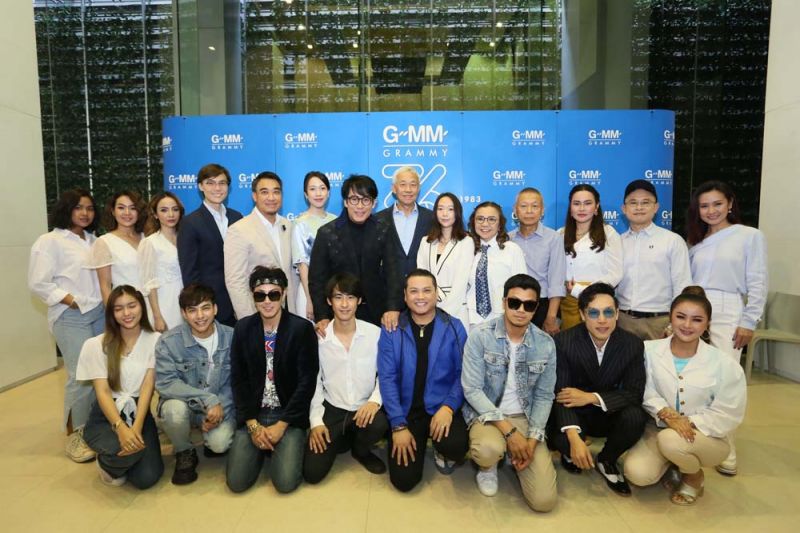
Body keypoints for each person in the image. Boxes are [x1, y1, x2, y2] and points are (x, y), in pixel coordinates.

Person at [624, 286, 747, 505]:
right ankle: (674, 464)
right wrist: (667, 414)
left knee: (670, 440)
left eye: (697, 320)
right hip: (658, 427)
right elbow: (643, 388)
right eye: (681, 317)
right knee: (638, 474)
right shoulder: (647, 350)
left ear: (707, 323)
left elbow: (728, 413)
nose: (687, 325)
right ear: (670, 317)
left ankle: (693, 476)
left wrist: (687, 422)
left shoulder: (724, 364)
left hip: (706, 436)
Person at [687, 180, 767, 476]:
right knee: (695, 375)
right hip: (694, 307)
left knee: (725, 378)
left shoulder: (749, 236)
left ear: (730, 203)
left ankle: (726, 446)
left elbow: (758, 280)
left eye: (717, 204)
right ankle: (696, 439)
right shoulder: (695, 242)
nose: (711, 211)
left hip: (728, 309)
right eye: (704, 206)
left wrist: (749, 320)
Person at [461, 274, 558, 512]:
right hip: (488, 415)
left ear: (536, 308)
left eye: (529, 305)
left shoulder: (546, 343)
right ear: (504, 302)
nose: (521, 310)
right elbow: (472, 390)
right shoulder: (480, 336)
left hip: (525, 417)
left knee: (544, 502)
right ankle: (489, 467)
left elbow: (545, 396)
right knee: (488, 450)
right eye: (514, 303)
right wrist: (510, 433)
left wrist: (532, 440)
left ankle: (515, 454)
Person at [547, 282, 647, 496]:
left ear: (617, 314)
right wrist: (574, 438)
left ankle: (607, 459)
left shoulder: (632, 344)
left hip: (608, 412)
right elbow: (561, 393)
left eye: (608, 312)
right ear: (583, 315)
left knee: (635, 417)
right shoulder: (564, 341)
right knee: (562, 436)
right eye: (594, 313)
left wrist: (590, 397)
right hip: (575, 412)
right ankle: (569, 452)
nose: (602, 320)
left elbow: (634, 393)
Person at [226, 266, 319, 494]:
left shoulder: (301, 329)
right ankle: (263, 448)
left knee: (285, 483)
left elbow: (306, 383)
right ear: (253, 297)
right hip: (255, 413)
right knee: (237, 483)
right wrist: (252, 425)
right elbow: (239, 380)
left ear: (284, 294)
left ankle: (278, 446)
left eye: (273, 294)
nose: (267, 301)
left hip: (287, 414)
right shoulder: (243, 329)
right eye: (260, 295)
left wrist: (281, 425)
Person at [28, 189, 104, 463]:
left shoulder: (94, 240)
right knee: (80, 376)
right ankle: (75, 436)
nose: (85, 213)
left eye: (89, 208)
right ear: (66, 209)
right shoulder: (50, 241)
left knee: (100, 373)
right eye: (78, 207)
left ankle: (94, 429)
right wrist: (69, 299)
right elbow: (38, 282)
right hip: (71, 315)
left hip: (99, 312)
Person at [378, 269, 469, 492]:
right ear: (405, 296)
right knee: (404, 482)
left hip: (440, 407)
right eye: (414, 291)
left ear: (436, 294)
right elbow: (387, 378)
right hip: (407, 412)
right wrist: (398, 424)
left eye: (427, 291)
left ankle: (441, 448)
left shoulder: (454, 327)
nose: (420, 297)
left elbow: (464, 374)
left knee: (457, 446)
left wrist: (449, 407)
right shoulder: (392, 328)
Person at [303, 273, 387, 484]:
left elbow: (386, 374)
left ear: (359, 300)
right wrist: (316, 422)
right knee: (312, 473)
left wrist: (374, 401)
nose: (344, 304)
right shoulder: (319, 339)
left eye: (350, 297)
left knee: (379, 423)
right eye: (338, 297)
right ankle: (343, 439)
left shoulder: (375, 334)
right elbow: (314, 383)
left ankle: (361, 450)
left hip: (364, 407)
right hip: (333, 407)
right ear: (329, 301)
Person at [77, 285, 164, 488]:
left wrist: (136, 427)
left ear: (141, 306)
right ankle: (106, 463)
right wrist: (120, 428)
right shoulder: (96, 344)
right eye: (118, 308)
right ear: (111, 313)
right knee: (128, 453)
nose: (126, 313)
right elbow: (102, 391)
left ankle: (126, 461)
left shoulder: (156, 340)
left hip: (139, 411)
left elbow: (147, 387)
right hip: (107, 415)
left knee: (147, 478)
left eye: (132, 306)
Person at [155, 284, 235, 485]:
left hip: (220, 406)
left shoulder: (232, 337)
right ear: (184, 313)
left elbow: (237, 383)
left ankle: (209, 433)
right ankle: (184, 450)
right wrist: (208, 400)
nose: (200, 316)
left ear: (215, 309)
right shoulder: (168, 342)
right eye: (192, 310)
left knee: (219, 444)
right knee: (174, 412)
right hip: (185, 405)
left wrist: (217, 410)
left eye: (205, 308)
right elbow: (166, 383)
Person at [309, 174, 403, 334]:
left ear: (374, 203)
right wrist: (322, 315)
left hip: (378, 314)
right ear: (345, 202)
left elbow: (394, 272)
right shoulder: (327, 233)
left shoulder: (383, 229)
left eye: (366, 200)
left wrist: (393, 307)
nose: (360, 206)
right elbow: (317, 280)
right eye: (354, 199)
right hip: (339, 313)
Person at [617, 180, 692, 340]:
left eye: (645, 202)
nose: (639, 207)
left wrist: (675, 322)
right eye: (633, 203)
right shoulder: (617, 242)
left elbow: (682, 285)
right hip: (623, 321)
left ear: (656, 207)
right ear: (624, 208)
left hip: (660, 322)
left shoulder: (672, 241)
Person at [177, 163, 243, 327]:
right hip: (210, 305)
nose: (217, 188)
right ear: (201, 186)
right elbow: (190, 272)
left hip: (241, 302)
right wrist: (202, 307)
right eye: (210, 183)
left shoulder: (237, 218)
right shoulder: (190, 223)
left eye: (222, 183)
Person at [225, 171, 296, 320]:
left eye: (276, 192)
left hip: (288, 313)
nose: (271, 197)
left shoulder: (288, 225)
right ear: (254, 196)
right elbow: (235, 281)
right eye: (264, 192)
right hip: (257, 312)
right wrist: (249, 320)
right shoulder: (239, 230)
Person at [559, 184, 623, 330]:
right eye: (576, 204)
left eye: (587, 203)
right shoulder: (560, 234)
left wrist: (582, 291)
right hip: (566, 304)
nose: (581, 208)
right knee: (569, 342)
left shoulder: (609, 233)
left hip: (598, 303)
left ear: (596, 207)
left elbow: (615, 274)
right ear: (570, 208)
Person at [509, 187, 566, 335]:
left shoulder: (554, 238)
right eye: (523, 206)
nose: (529, 211)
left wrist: (551, 316)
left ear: (542, 210)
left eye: (534, 206)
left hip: (543, 305)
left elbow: (557, 281)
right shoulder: (507, 239)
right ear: (515, 210)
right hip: (514, 304)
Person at [466, 201, 527, 330]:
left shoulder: (512, 250)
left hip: (502, 320)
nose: (485, 224)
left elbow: (521, 289)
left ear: (500, 225)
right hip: (470, 320)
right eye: (480, 219)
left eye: (492, 219)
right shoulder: (466, 249)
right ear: (473, 223)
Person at [416, 192, 474, 328]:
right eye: (440, 209)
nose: (445, 214)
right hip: (428, 307)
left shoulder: (466, 241)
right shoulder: (426, 241)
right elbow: (422, 276)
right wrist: (430, 305)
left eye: (450, 209)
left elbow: (461, 281)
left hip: (456, 310)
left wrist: (443, 311)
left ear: (457, 213)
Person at [292, 171, 337, 321]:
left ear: (328, 192)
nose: (318, 193)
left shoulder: (336, 220)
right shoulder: (300, 223)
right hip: (309, 290)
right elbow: (302, 265)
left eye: (322, 188)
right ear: (306, 194)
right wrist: (310, 299)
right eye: (312, 189)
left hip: (335, 290)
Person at [138, 192, 185, 332]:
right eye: (164, 210)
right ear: (155, 214)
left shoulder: (185, 238)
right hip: (164, 305)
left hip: (186, 302)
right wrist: (157, 316)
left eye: (175, 209)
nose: (171, 214)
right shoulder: (150, 242)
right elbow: (149, 283)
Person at [89, 190, 147, 304]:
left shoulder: (147, 238)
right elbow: (105, 287)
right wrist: (112, 312)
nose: (127, 213)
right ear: (113, 211)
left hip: (154, 304)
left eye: (133, 208)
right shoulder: (104, 242)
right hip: (126, 306)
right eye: (121, 208)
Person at [376, 166, 434, 278]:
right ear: (394, 188)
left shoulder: (431, 218)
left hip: (421, 285)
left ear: (419, 188)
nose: (408, 189)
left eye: (413, 184)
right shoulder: (378, 219)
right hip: (388, 286)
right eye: (403, 184)